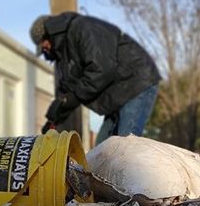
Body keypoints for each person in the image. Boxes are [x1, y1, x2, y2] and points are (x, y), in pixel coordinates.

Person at [29, 12, 161, 145]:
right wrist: (52, 120)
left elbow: (101, 69)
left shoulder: (83, 28)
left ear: (49, 33)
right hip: (117, 96)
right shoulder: (64, 56)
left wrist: (75, 95)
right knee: (102, 149)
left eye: (43, 45)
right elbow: (67, 94)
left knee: (125, 146)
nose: (45, 50)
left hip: (135, 83)